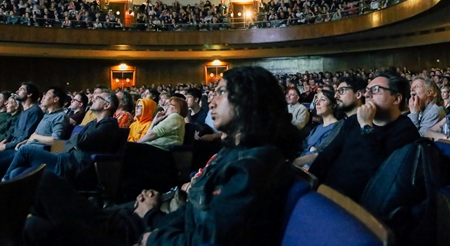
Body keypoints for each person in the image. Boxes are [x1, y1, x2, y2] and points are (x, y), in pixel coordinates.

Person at [25, 66, 301, 246]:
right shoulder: (235, 152)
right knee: (38, 207)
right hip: (153, 219)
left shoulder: (251, 166)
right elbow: (195, 215)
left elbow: (207, 241)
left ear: (249, 100)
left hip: (147, 232)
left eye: (221, 92)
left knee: (38, 200)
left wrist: (152, 226)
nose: (212, 101)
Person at [309, 71, 420, 202]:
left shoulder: (406, 132)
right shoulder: (353, 121)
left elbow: (382, 177)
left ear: (396, 99)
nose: (367, 94)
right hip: (326, 195)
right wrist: (309, 184)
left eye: (376, 90)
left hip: (360, 208)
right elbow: (326, 156)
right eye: (367, 90)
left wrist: (366, 126)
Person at [1, 90, 120, 181]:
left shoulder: (109, 124)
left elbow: (81, 140)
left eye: (98, 98)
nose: (93, 98)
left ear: (107, 106)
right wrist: (69, 142)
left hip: (71, 165)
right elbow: (73, 142)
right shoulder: (93, 123)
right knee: (16, 172)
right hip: (64, 157)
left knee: (26, 150)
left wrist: (72, 140)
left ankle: (4, 184)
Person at [298, 90, 340, 157]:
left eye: (322, 99)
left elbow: (319, 155)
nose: (317, 103)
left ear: (333, 105)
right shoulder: (317, 127)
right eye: (317, 100)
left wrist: (310, 150)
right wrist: (310, 148)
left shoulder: (336, 128)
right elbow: (302, 146)